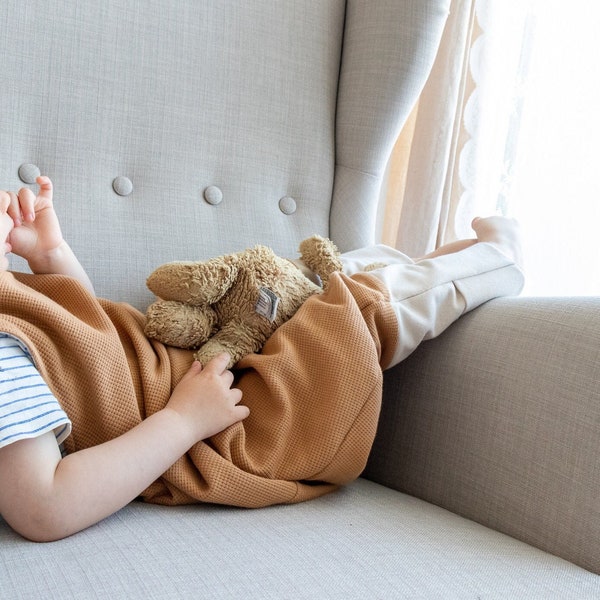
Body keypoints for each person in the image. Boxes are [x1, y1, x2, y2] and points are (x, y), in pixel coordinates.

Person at [0, 176, 523, 542]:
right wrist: (183, 421)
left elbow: (89, 348)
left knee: (299, 284)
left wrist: (51, 259)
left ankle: (450, 263)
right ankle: (494, 264)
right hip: (227, 426)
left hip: (200, 364)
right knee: (344, 316)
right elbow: (44, 507)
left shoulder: (10, 302)